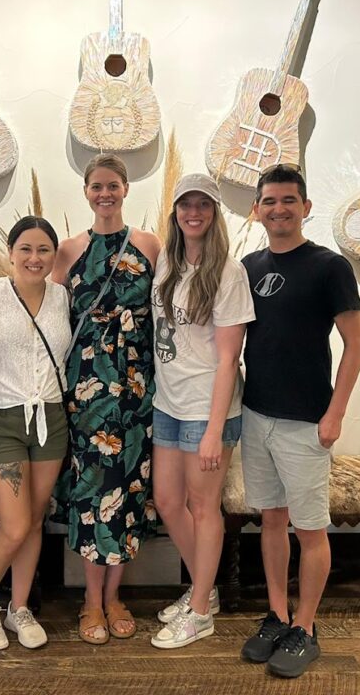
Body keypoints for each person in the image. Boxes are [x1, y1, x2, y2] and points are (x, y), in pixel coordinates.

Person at [239, 164, 360, 679]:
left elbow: (355, 345)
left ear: (305, 207)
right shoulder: (247, 266)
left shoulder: (330, 267)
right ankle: (277, 613)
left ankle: (307, 626)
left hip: (306, 422)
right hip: (255, 415)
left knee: (309, 530)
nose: (279, 209)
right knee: (271, 520)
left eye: (289, 200)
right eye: (269, 201)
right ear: (258, 210)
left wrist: (334, 413)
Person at [50, 153, 161, 644]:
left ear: (125, 189)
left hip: (137, 386)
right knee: (93, 491)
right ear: (86, 191)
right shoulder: (68, 249)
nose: (105, 194)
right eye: (96, 186)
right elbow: (51, 320)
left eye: (112, 185)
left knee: (130, 487)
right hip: (88, 388)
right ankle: (90, 602)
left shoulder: (150, 244)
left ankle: (116, 597)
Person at [149, 173, 255, 649]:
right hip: (166, 403)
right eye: (185, 204)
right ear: (175, 211)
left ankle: (199, 613)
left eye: (203, 205)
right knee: (168, 502)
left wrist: (215, 430)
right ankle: (203, 591)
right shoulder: (166, 260)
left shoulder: (229, 273)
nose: (194, 212)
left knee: (202, 506)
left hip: (207, 408)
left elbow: (229, 357)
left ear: (214, 213)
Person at [0, 216, 72, 651]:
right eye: (25, 249)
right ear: (10, 253)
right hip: (0, 420)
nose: (34, 258)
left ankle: (20, 606)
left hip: (51, 420)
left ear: (54, 255)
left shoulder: (63, 298)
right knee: (12, 527)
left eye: (44, 249)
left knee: (33, 521)